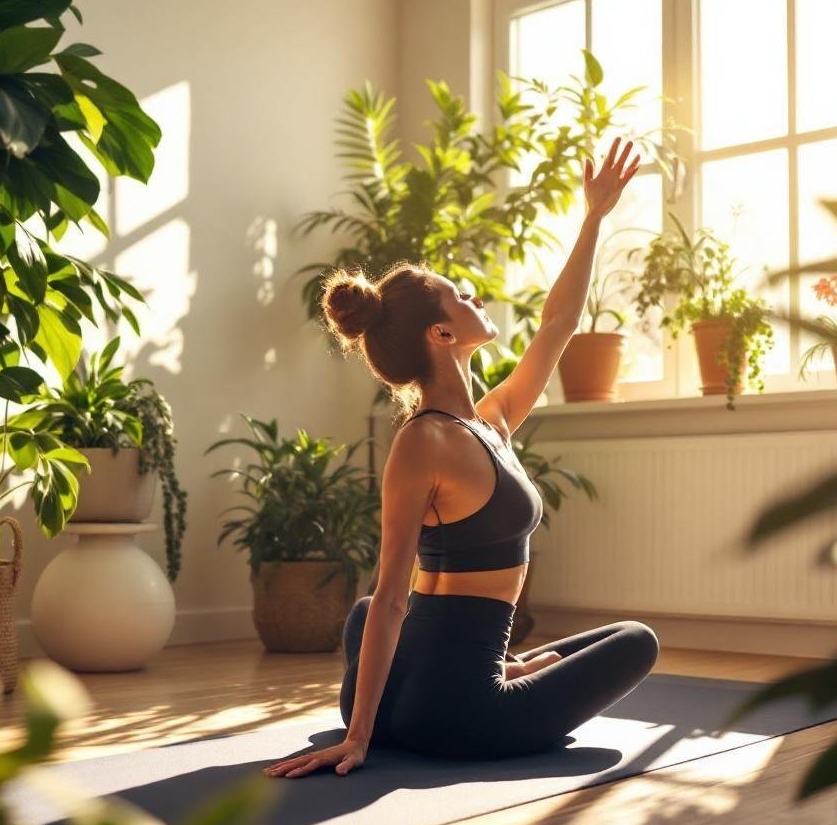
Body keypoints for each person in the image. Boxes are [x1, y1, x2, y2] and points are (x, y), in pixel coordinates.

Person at [265, 139, 659, 778]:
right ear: (441, 334)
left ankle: (488, 671)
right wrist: (357, 740)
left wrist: (592, 219)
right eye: (462, 296)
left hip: (411, 695)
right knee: (638, 643)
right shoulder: (424, 440)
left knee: (369, 618)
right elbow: (391, 593)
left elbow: (557, 323)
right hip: (466, 714)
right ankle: (458, 688)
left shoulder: (489, 421)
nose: (477, 297)